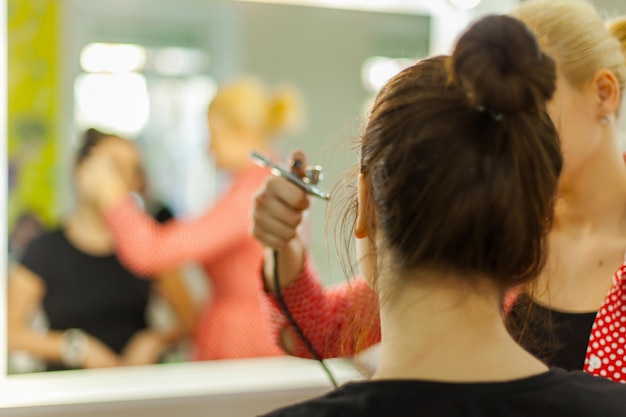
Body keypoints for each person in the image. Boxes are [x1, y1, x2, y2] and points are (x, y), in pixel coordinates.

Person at [259, 15, 626, 417]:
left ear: (604, 94)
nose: (496, 132)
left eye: (523, 107)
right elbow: (322, 328)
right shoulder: (472, 232)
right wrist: (285, 247)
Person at [80, 78, 302, 360]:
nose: (207, 148)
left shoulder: (256, 196)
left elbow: (151, 253)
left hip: (247, 347)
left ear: (243, 133)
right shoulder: (255, 189)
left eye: (213, 136)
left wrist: (111, 195)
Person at [7, 129, 194, 371]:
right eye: (113, 167)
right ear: (81, 171)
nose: (123, 179)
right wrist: (74, 347)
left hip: (135, 387)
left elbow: (190, 317)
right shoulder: (44, 250)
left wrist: (155, 340)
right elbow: (10, 333)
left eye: (133, 170)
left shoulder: (147, 245)